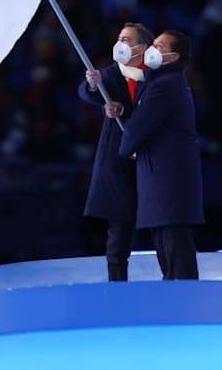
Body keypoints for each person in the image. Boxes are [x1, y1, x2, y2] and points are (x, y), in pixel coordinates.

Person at [115, 30, 204, 280]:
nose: (152, 50)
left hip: (168, 183)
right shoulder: (162, 82)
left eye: (159, 46)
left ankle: (185, 311)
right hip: (164, 181)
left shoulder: (165, 86)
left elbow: (137, 127)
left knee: (176, 257)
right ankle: (179, 309)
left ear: (174, 57)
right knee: (169, 252)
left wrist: (126, 147)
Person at [77, 22, 153, 281]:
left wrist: (125, 112)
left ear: (142, 47)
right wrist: (91, 85)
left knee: (161, 227)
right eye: (119, 38)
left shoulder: (156, 76)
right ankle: (117, 285)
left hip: (150, 159)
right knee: (118, 231)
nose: (121, 43)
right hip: (118, 161)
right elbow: (89, 92)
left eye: (127, 39)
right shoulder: (110, 75)